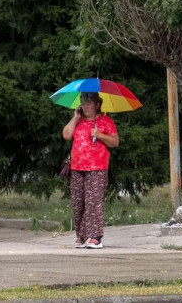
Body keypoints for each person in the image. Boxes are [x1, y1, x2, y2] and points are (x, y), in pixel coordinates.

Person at [62, 92, 119, 249]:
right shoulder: (79, 120)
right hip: (77, 167)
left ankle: (95, 237)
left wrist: (99, 135)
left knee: (93, 201)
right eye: (83, 103)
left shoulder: (105, 121)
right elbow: (66, 135)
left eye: (88, 104)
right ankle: (81, 236)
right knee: (78, 202)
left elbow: (115, 142)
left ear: (97, 104)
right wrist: (75, 117)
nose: (85, 107)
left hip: (97, 167)